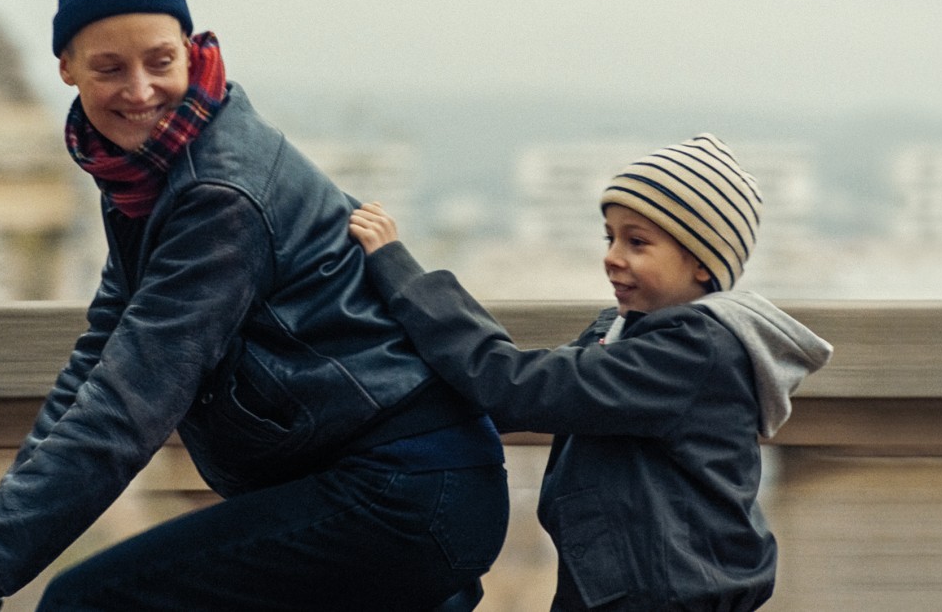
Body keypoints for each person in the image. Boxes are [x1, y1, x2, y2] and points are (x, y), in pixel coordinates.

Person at [0, 0, 508, 612]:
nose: (140, 90)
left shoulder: (219, 194)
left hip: (404, 487)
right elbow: (95, 367)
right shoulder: (145, 171)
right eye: (110, 69)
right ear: (67, 69)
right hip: (388, 484)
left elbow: (132, 400)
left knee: (87, 601)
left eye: (160, 61)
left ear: (191, 48)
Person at [349, 134, 834, 611]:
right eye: (610, 237)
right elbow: (511, 393)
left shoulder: (690, 353)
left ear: (703, 263)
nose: (612, 256)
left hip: (666, 597)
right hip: (623, 588)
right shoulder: (626, 335)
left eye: (637, 242)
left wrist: (403, 278)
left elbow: (520, 386)